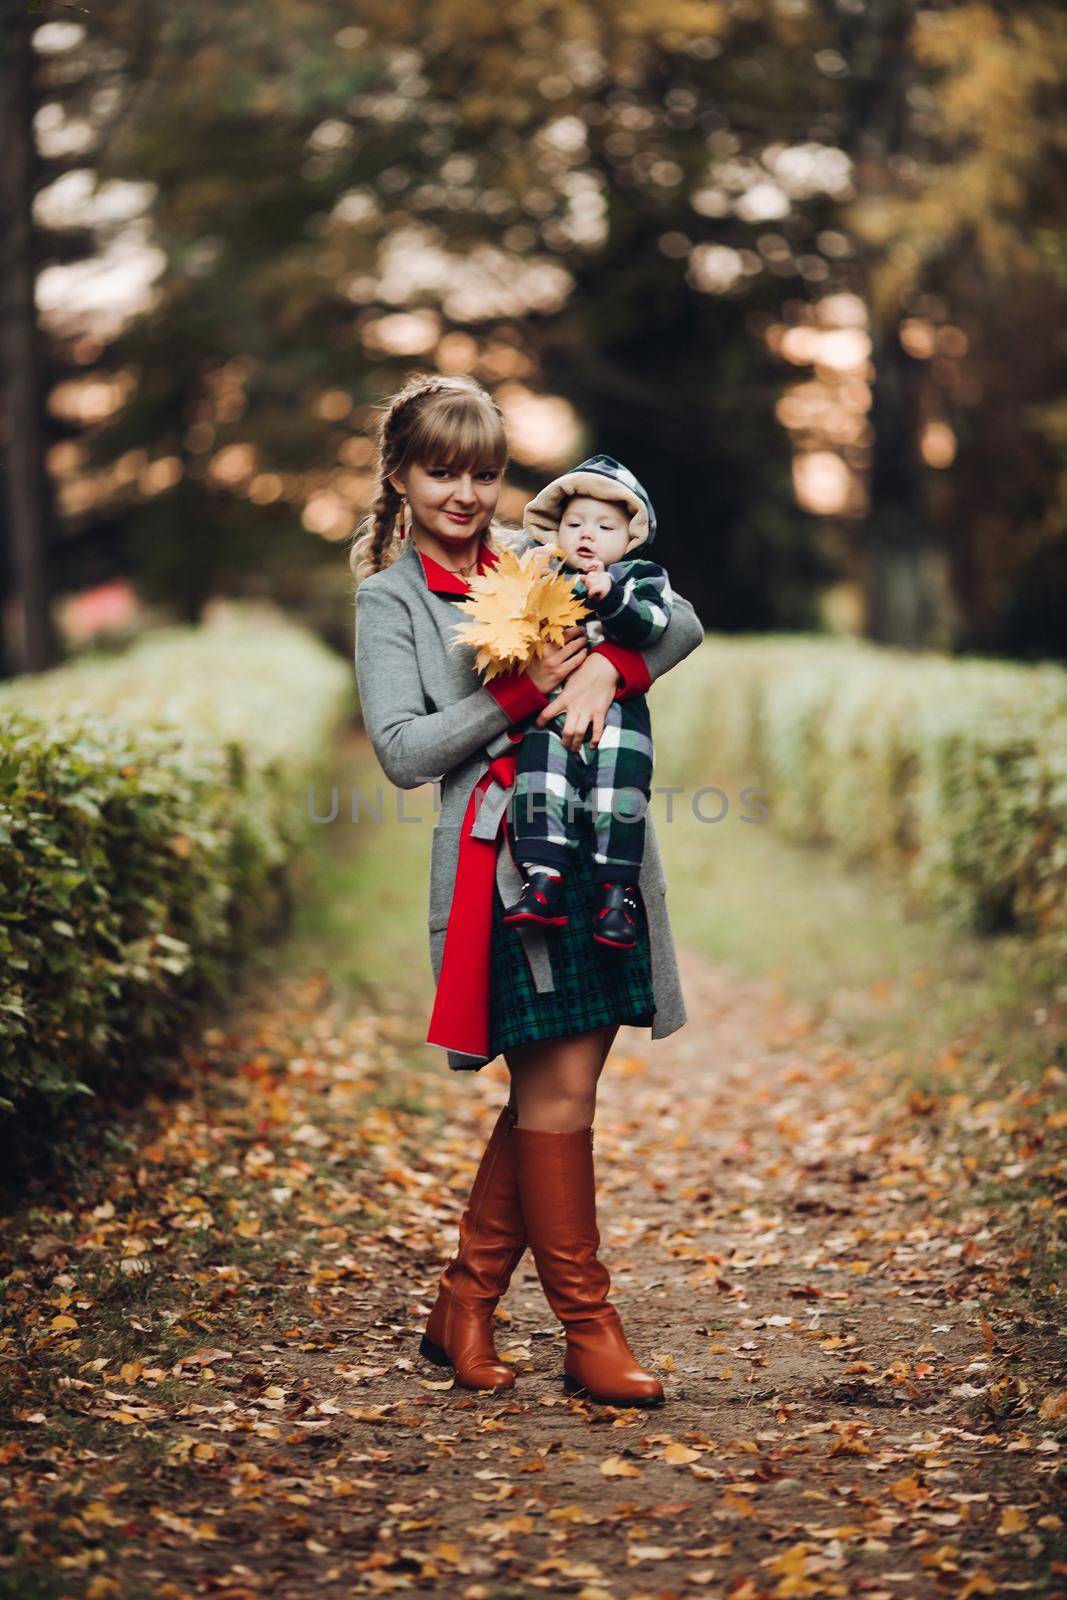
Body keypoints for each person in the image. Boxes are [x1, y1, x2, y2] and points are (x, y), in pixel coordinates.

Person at [351, 373, 703, 1408]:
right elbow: (404, 750)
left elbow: (673, 619)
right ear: (401, 477)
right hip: (501, 867)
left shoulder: (539, 557)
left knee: (554, 1088)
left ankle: (465, 1297)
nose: (464, 492)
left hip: (600, 855)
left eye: (484, 472)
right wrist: (524, 689)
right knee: (558, 1090)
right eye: (440, 470)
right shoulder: (391, 599)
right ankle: (588, 1328)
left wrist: (608, 676)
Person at [501, 455, 674, 952]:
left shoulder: (641, 576)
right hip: (550, 712)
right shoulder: (544, 573)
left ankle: (617, 896)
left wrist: (611, 598)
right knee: (538, 783)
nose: (587, 535)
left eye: (604, 526)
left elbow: (655, 627)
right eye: (574, 523)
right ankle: (542, 881)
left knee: (618, 800)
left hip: (619, 722)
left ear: (629, 538)